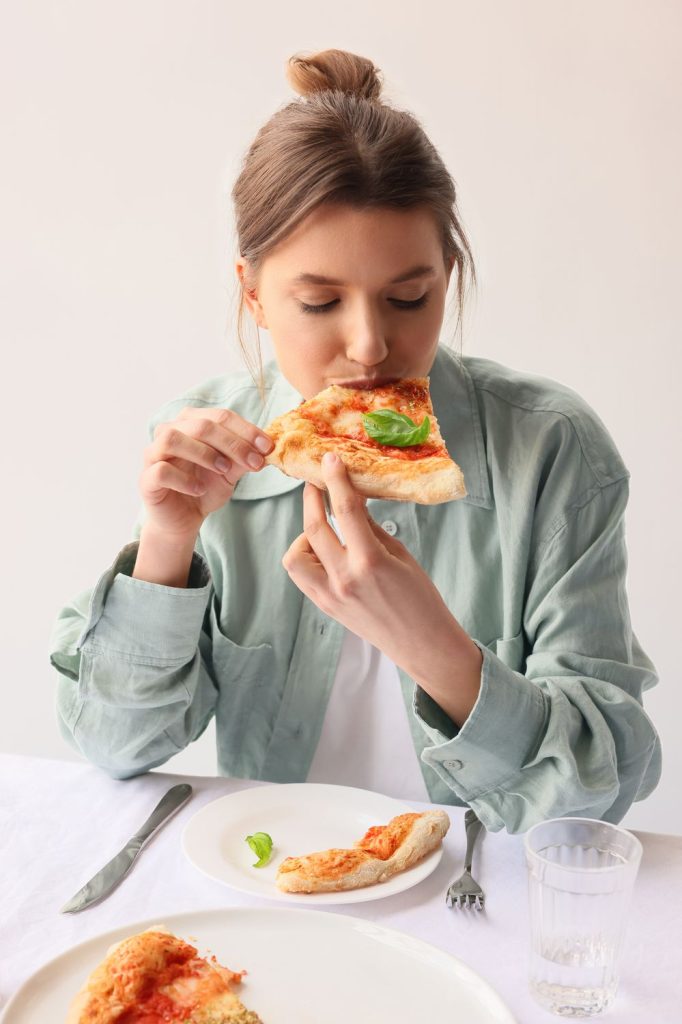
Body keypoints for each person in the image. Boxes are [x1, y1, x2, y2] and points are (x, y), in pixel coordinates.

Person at [50, 49, 661, 833]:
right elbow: (115, 748)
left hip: (480, 885)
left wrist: (434, 647)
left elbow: (602, 795)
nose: (370, 345)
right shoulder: (201, 445)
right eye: (319, 303)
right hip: (280, 876)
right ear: (253, 294)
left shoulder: (550, 449)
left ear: (448, 275)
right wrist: (166, 546)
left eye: (409, 297)